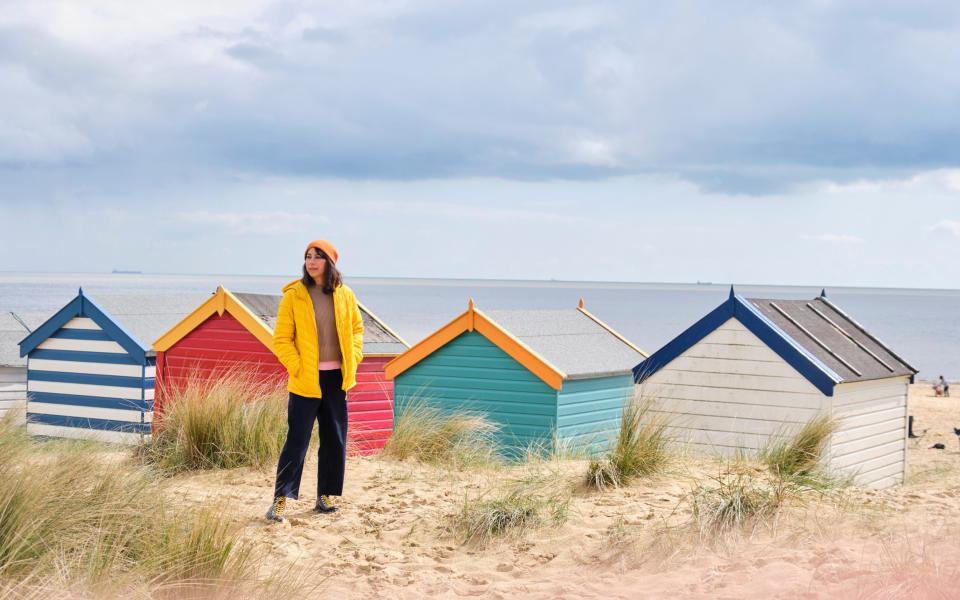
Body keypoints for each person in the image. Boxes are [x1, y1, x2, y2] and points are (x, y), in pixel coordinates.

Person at [266, 240, 364, 522]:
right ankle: (281, 499)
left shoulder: (345, 295)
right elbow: (281, 339)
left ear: (330, 263)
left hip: (337, 379)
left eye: (318, 257)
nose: (311, 262)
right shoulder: (294, 295)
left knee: (335, 440)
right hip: (305, 380)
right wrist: (296, 366)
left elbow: (357, 330)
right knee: (296, 441)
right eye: (308, 256)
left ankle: (325, 495)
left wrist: (354, 357)